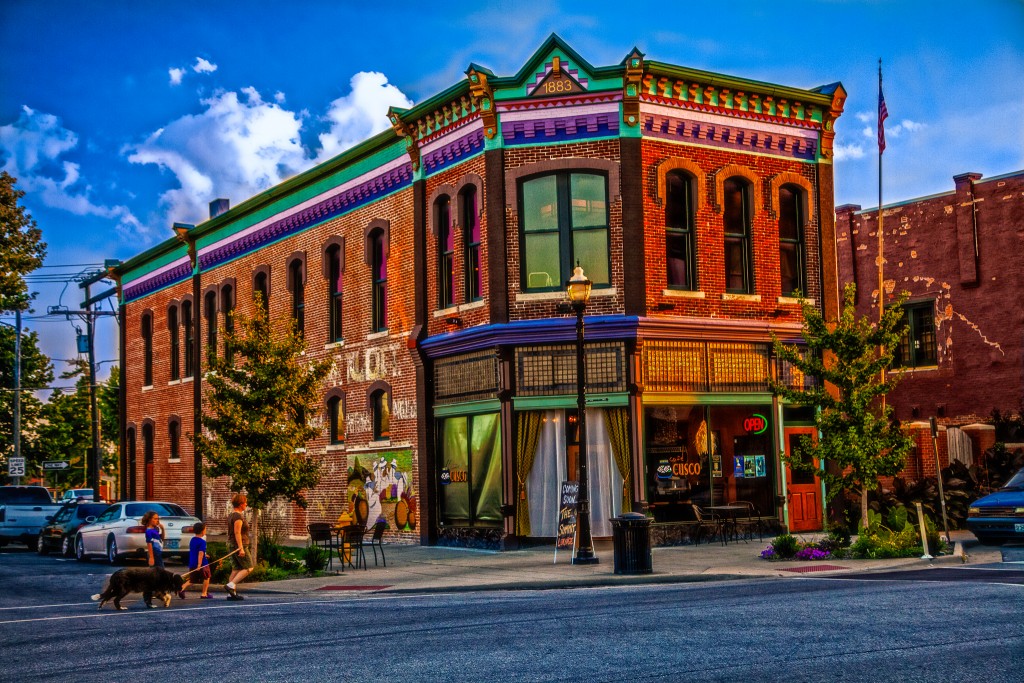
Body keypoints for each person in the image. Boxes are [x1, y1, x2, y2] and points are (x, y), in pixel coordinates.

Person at [225, 493, 251, 600]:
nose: (246, 504)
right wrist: (241, 548)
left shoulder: (231, 515)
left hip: (231, 544)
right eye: (245, 502)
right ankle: (231, 585)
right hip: (238, 544)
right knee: (249, 567)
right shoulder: (238, 517)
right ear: (240, 504)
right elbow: (237, 533)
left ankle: (231, 593)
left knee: (235, 569)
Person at [179, 521, 212, 599]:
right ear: (202, 531)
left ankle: (181, 588)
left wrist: (205, 554)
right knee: (207, 577)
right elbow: (200, 553)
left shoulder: (192, 540)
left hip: (192, 562)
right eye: (205, 529)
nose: (205, 531)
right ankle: (204, 593)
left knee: (193, 579)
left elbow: (196, 551)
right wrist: (199, 565)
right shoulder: (202, 542)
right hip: (202, 563)